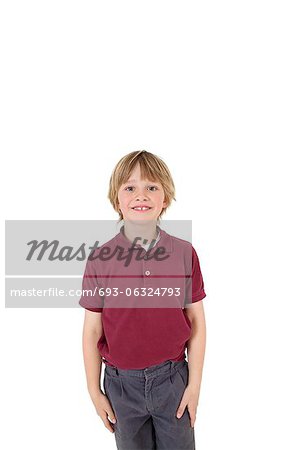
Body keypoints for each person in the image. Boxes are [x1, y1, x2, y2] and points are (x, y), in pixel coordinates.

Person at [79, 150, 207, 450]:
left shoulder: (184, 253)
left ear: (165, 199)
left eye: (152, 187)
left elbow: (197, 322)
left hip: (173, 380)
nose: (142, 195)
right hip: (121, 386)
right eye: (130, 187)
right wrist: (94, 391)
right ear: (117, 200)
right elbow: (92, 332)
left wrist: (194, 386)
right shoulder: (100, 259)